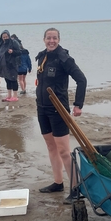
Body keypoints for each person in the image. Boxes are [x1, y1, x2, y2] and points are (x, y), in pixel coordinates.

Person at [36, 27, 87, 204]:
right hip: (42, 108)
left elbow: (81, 79)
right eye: (48, 38)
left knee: (64, 151)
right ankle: (58, 183)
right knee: (51, 147)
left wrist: (78, 105)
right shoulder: (42, 56)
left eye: (54, 38)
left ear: (58, 39)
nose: (51, 41)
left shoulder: (64, 58)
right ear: (44, 39)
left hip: (59, 110)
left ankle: (76, 188)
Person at [0, 30, 21, 102]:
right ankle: (9, 96)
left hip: (12, 65)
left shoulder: (13, 42)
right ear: (1, 37)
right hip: (3, 66)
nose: (5, 38)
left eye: (6, 36)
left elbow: (19, 52)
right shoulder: (0, 44)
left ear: (9, 36)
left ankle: (15, 96)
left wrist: (12, 52)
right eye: (3, 37)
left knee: (13, 80)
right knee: (7, 80)